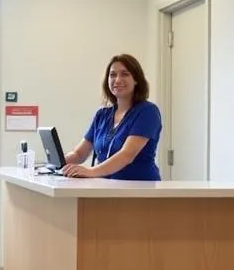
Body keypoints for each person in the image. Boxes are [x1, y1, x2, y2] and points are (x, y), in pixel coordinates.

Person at [62, 53, 163, 181]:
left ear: (136, 80)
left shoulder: (147, 112)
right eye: (113, 75)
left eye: (125, 74)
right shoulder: (102, 115)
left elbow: (127, 155)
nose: (117, 80)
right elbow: (79, 154)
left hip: (139, 189)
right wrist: (55, 164)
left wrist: (91, 171)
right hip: (106, 188)